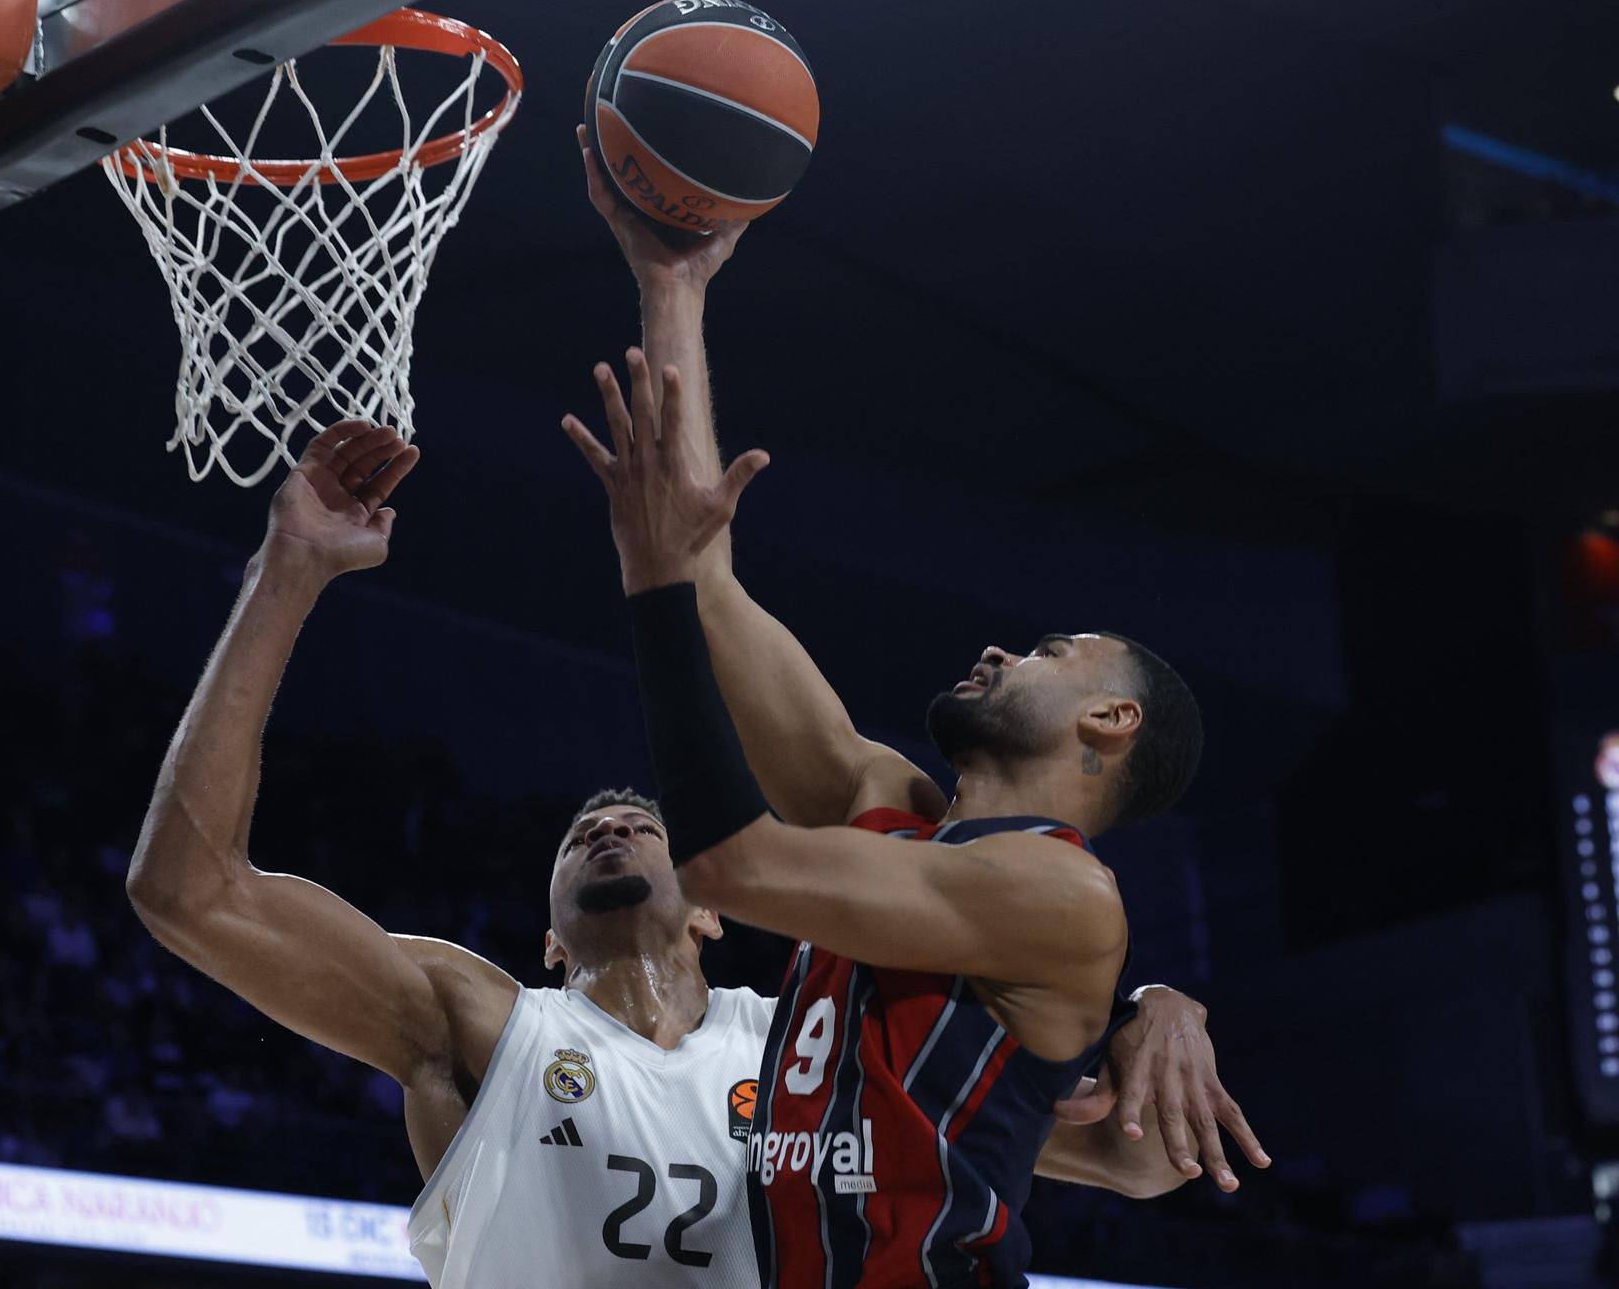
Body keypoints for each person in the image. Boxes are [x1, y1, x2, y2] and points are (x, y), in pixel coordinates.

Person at [126, 422, 1256, 1287]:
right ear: (548, 939)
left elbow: (1138, 1158)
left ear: (712, 917)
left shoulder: (813, 1047)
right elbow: (188, 891)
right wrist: (284, 571)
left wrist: (1156, 1002)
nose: (611, 825)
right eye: (579, 835)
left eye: (642, 822)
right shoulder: (476, 1022)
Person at [562, 136, 1265, 1288]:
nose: (998, 648)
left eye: (1048, 651)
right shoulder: (880, 803)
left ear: (1108, 723)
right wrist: (673, 285)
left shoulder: (1057, 890)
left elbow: (730, 865)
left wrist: (649, 589)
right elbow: (706, 572)